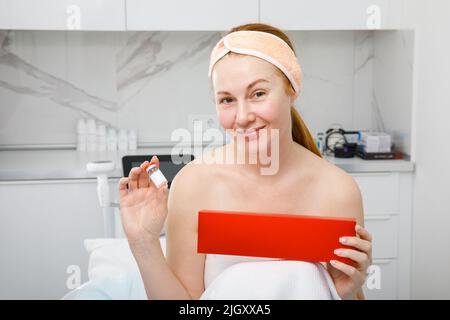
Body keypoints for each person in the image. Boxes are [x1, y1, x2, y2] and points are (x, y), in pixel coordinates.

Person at [118, 23, 373, 300]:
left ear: (292, 88)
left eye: (258, 94)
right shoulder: (194, 185)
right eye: (227, 99)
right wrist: (143, 242)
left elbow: (345, 292)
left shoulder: (337, 191)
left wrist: (342, 293)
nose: (242, 117)